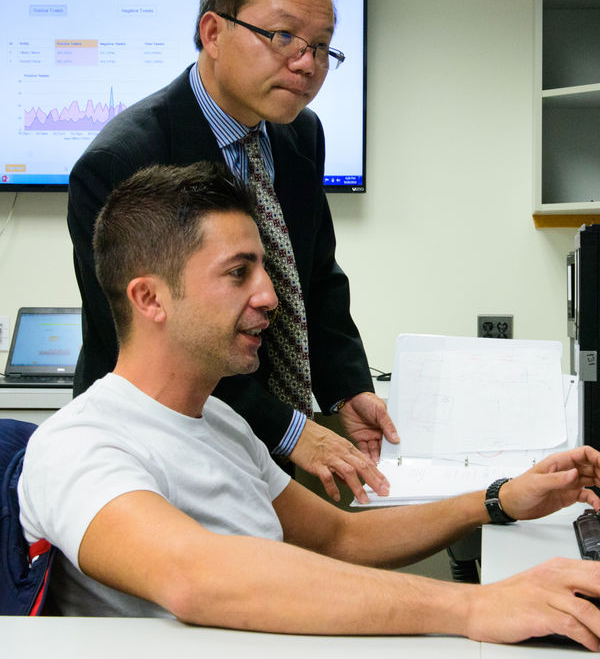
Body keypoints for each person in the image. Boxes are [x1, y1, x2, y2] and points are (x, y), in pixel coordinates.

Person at [20, 163, 600, 648]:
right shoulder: (79, 444)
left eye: (264, 268)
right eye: (238, 273)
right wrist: (475, 607)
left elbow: (340, 539)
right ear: (150, 298)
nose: (269, 295)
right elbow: (193, 576)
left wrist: (498, 499)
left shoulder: (219, 420)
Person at [67, 0, 398, 503]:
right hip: (161, 444)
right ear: (213, 33)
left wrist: (347, 390)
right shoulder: (125, 163)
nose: (307, 63)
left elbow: (314, 277)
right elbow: (161, 344)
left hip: (278, 436)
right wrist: (286, 429)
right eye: (284, 37)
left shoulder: (300, 135)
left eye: (320, 46)